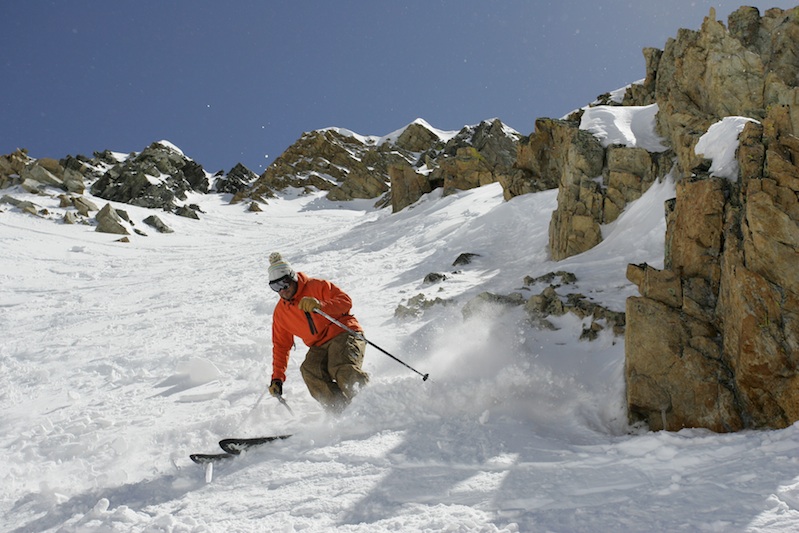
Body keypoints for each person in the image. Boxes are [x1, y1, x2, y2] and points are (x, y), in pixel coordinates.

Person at [266, 252, 369, 412]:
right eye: (275, 287)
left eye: (284, 284)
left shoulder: (316, 286)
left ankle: (370, 402)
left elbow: (345, 301)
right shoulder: (281, 313)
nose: (282, 291)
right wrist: (277, 378)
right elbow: (281, 346)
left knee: (340, 366)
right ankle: (341, 411)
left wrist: (321, 305)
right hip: (319, 346)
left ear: (292, 277)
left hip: (343, 332)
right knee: (310, 370)